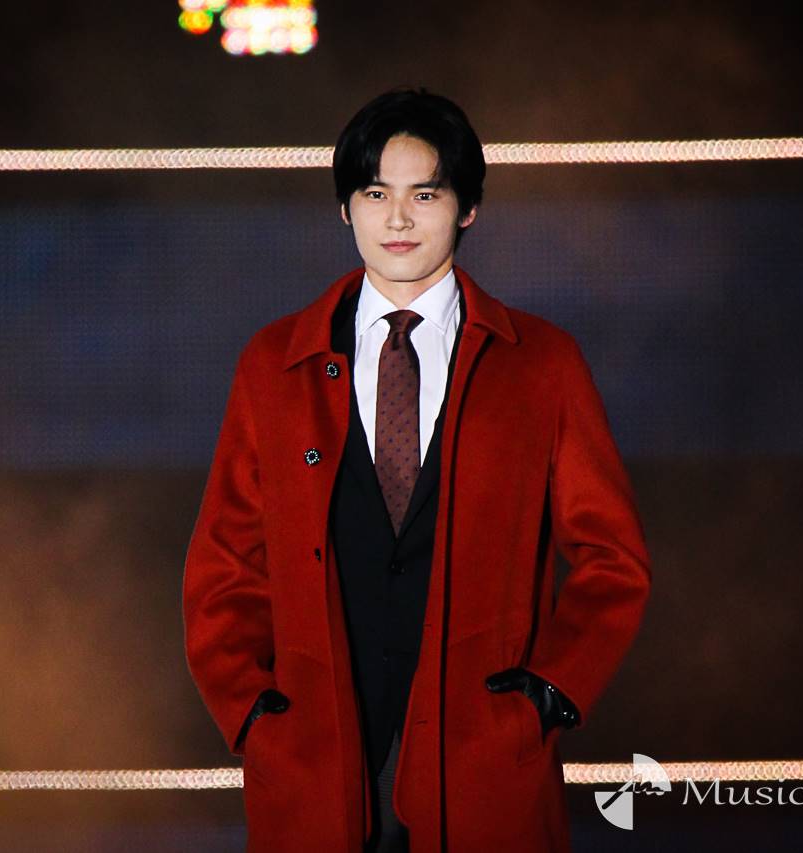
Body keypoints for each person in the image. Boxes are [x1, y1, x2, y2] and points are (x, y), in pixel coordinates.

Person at [183, 88, 651, 852]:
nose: (397, 218)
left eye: (424, 194)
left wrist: (550, 692)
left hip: (484, 767)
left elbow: (613, 557)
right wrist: (253, 715)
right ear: (345, 208)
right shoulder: (274, 365)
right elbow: (223, 565)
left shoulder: (542, 365)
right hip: (315, 768)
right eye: (376, 193)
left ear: (468, 208)